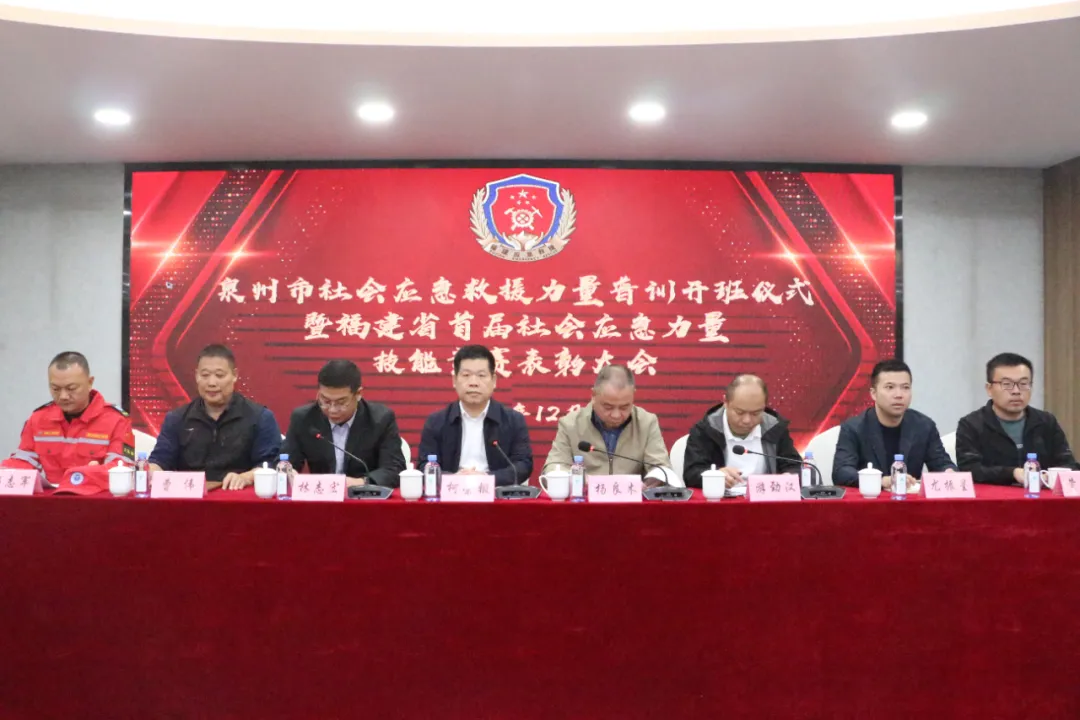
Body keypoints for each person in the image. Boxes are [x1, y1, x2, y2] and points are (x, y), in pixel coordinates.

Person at [148, 344, 281, 489]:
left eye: (219, 375)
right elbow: (159, 461)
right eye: (205, 375)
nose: (211, 383)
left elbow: (270, 465)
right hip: (190, 496)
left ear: (235, 375)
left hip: (237, 496)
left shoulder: (260, 417)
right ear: (196, 376)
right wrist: (153, 472)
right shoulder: (177, 419)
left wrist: (245, 477)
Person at [3, 351, 134, 485]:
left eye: (71, 388)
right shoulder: (39, 419)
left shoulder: (117, 421)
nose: (63, 396)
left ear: (90, 383)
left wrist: (89, 473)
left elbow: (122, 469)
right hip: (51, 497)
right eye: (55, 389)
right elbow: (23, 461)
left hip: (93, 495)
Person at [418, 345, 533, 486]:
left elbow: (523, 466)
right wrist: (454, 479)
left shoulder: (513, 420)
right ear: (454, 380)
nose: (473, 383)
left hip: (495, 493)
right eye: (466, 375)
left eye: (481, 375)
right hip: (451, 493)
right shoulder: (436, 422)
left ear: (494, 381)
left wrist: (486, 478)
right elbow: (424, 466)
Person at [956, 352, 1078, 485]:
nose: (1016, 391)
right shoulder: (971, 424)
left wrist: (1048, 476)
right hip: (995, 497)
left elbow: (1068, 464)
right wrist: (1012, 473)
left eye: (1023, 384)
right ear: (989, 389)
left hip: (1040, 495)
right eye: (1007, 384)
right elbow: (970, 470)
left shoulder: (1046, 422)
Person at [281, 360, 405, 487]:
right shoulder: (304, 419)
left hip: (363, 496)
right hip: (320, 496)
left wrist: (360, 483)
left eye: (341, 402)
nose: (332, 409)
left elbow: (394, 469)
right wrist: (288, 473)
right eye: (325, 401)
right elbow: (284, 462)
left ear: (358, 394)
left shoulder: (380, 419)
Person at [833, 359, 955, 487]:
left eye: (905, 387)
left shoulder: (924, 426)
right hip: (871, 498)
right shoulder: (853, 428)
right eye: (890, 387)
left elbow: (942, 463)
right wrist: (881, 481)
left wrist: (949, 471)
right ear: (873, 394)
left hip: (909, 498)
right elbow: (842, 472)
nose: (899, 395)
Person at [545, 364, 674, 486]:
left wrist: (648, 484)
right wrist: (582, 480)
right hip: (586, 497)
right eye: (608, 407)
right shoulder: (570, 424)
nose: (616, 415)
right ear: (593, 395)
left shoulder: (646, 423)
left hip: (632, 498)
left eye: (624, 407)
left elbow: (661, 469)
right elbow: (553, 468)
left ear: (633, 396)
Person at [682, 374, 801, 489]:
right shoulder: (706, 430)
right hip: (722, 500)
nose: (747, 420)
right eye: (739, 412)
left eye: (755, 413)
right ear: (726, 402)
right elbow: (691, 474)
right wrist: (716, 475)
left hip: (764, 498)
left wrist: (789, 476)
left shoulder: (775, 428)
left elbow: (795, 466)